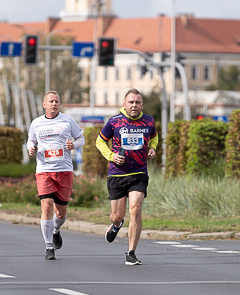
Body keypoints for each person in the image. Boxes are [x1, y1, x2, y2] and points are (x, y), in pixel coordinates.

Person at [95, 89, 158, 266]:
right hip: (117, 173)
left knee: (136, 209)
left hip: (139, 172)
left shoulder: (149, 121)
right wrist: (111, 156)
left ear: (142, 105)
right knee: (117, 215)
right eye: (131, 102)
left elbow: (154, 137)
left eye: (137, 102)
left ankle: (131, 253)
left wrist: (152, 148)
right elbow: (100, 141)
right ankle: (116, 225)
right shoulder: (115, 122)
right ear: (125, 104)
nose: (134, 105)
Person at [26, 92, 85, 260]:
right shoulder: (36, 123)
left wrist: (74, 144)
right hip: (44, 170)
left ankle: (56, 230)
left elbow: (82, 138)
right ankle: (49, 247)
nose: (54, 103)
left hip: (64, 170)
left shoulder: (67, 120)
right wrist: (30, 148)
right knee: (46, 206)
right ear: (44, 104)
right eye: (51, 101)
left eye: (57, 101)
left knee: (60, 214)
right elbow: (30, 141)